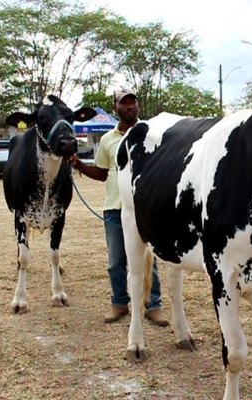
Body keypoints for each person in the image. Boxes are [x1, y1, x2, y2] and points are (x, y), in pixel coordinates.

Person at [72, 86, 169, 326]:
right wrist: (78, 164)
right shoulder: (107, 140)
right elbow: (102, 173)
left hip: (145, 209)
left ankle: (153, 305)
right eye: (124, 102)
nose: (130, 106)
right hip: (115, 209)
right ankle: (119, 304)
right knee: (116, 261)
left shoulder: (151, 133)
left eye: (132, 101)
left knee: (149, 259)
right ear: (115, 107)